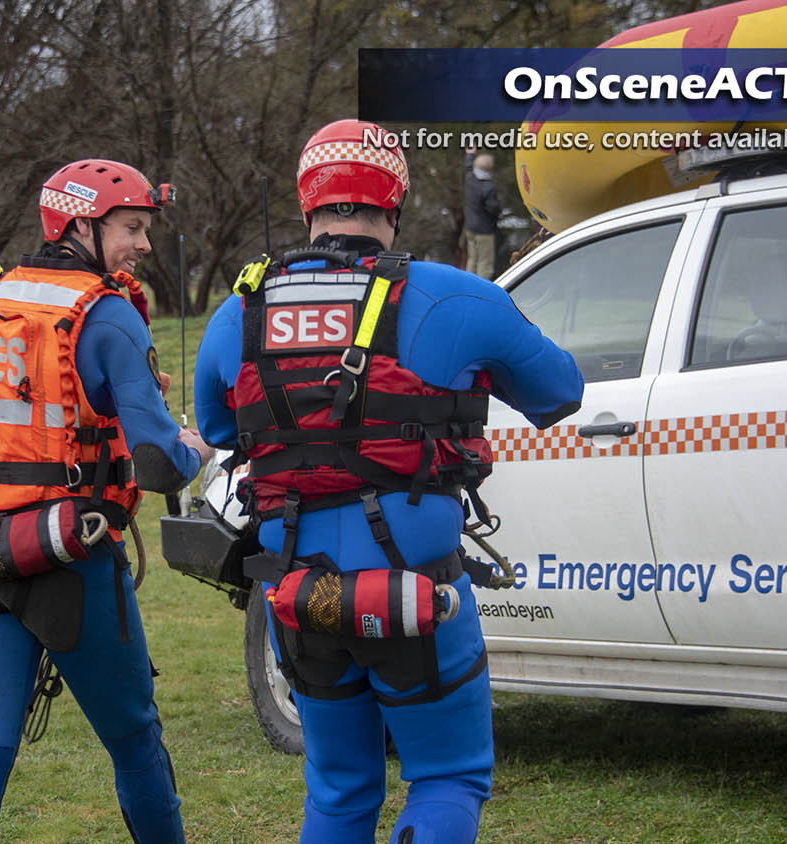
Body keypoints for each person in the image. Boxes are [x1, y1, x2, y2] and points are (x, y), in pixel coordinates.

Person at [193, 120, 584, 844]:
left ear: (308, 201)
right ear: (394, 199)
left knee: (341, 791)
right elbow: (561, 391)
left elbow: (218, 431)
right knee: (447, 778)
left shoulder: (236, 313)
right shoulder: (456, 297)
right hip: (418, 594)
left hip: (298, 596)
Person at [0, 158, 213, 844]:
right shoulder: (108, 315)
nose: (143, 244)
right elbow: (156, 463)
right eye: (132, 228)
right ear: (81, 223)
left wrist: (17, 464)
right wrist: (192, 449)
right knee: (137, 740)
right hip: (74, 563)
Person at [463, 148, 502, 279]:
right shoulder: (488, 187)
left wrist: (470, 154)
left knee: (472, 260)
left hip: (470, 227)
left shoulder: (469, 179)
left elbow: (468, 167)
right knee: (485, 262)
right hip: (484, 230)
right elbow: (493, 208)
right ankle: (482, 289)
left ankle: (468, 285)